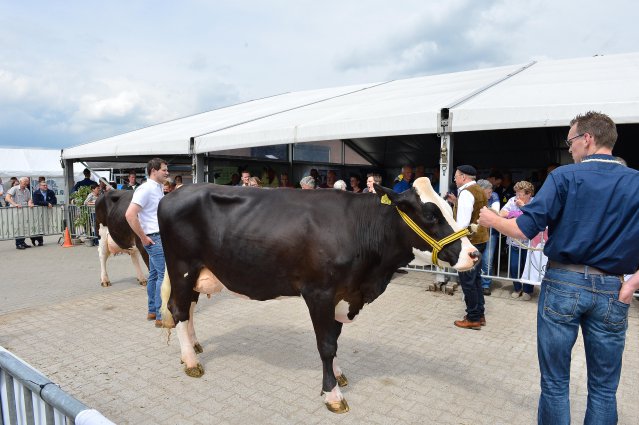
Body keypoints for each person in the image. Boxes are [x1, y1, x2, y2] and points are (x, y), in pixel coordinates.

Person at [479, 111, 639, 424]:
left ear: (588, 139)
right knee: (605, 388)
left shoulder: (565, 177)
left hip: (563, 282)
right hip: (613, 288)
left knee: (555, 382)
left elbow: (525, 228)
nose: (570, 149)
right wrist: (633, 283)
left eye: (571, 142)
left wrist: (492, 220)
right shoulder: (635, 181)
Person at [125, 158, 170, 328]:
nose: (167, 173)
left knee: (154, 275)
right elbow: (130, 215)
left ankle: (152, 310)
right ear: (154, 170)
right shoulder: (145, 189)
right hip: (153, 237)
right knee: (163, 275)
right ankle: (160, 315)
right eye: (164, 170)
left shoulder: (157, 187)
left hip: (156, 236)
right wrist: (143, 238)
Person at [448, 165, 488, 330]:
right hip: (481, 239)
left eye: (456, 176)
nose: (455, 179)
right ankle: (479, 313)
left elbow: (462, 224)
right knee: (476, 279)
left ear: (464, 177)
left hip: (470, 242)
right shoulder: (478, 189)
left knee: (468, 281)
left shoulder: (466, 193)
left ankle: (473, 318)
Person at [500, 180, 535, 300]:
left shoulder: (535, 202)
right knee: (514, 266)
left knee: (529, 267)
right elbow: (502, 213)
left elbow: (535, 216)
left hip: (530, 243)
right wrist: (514, 213)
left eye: (520, 194)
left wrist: (523, 208)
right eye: (516, 194)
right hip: (514, 241)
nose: (517, 197)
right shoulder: (511, 201)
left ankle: (528, 290)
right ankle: (517, 288)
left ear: (529, 194)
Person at [476, 179, 500, 295]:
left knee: (487, 260)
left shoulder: (494, 196)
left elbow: (495, 212)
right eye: (488, 192)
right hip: (477, 234)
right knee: (475, 258)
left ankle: (486, 284)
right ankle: (476, 282)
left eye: (491, 192)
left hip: (491, 233)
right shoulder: (474, 197)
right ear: (482, 191)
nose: (491, 194)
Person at [5, 177, 34, 250]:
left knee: (24, 226)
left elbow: (29, 199)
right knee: (18, 226)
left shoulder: (27, 190)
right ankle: (18, 244)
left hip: (24, 210)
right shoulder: (14, 188)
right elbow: (7, 198)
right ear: (20, 182)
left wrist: (30, 203)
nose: (26, 183)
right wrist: (15, 204)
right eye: (25, 181)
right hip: (16, 211)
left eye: (27, 181)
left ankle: (22, 242)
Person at [31, 180, 58, 246]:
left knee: (44, 225)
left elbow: (54, 200)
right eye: (44, 185)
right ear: (40, 186)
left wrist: (50, 203)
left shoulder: (50, 192)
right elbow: (36, 202)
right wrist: (47, 203)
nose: (45, 186)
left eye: (46, 185)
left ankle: (40, 240)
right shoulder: (36, 193)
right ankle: (35, 239)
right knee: (38, 225)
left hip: (47, 211)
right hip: (38, 211)